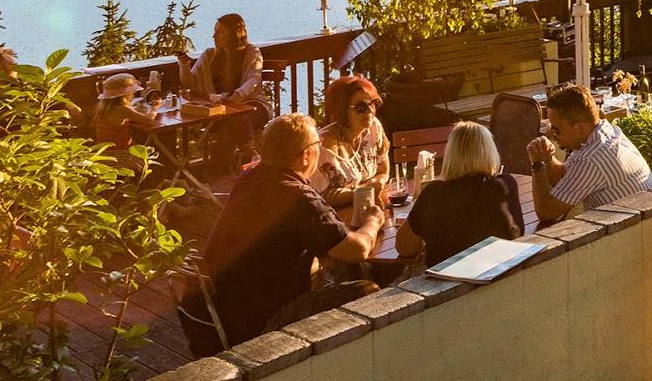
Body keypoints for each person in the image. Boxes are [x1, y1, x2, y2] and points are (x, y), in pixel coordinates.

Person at [187, 112, 384, 353]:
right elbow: (358, 249)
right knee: (368, 291)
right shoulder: (299, 197)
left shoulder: (248, 179)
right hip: (262, 323)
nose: (320, 150)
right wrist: (373, 220)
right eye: (317, 146)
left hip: (222, 315)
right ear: (305, 156)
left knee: (328, 269)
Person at [396, 121, 524, 266]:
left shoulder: (433, 193)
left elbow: (404, 248)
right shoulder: (504, 185)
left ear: (451, 155)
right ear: (490, 152)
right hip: (498, 276)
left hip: (447, 281)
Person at [525, 83, 652, 222]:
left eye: (556, 128)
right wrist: (547, 158)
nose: (551, 133)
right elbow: (566, 177)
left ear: (580, 127)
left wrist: (537, 164)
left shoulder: (591, 159)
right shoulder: (604, 132)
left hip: (628, 237)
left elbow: (546, 212)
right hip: (641, 227)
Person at [177, 13, 271, 173]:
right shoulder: (209, 55)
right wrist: (184, 66)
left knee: (236, 117)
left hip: (254, 106)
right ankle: (248, 159)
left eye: (219, 32)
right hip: (220, 110)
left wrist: (236, 98)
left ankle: (215, 172)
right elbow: (190, 83)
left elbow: (253, 81)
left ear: (234, 34)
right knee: (230, 124)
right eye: (215, 31)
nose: (214, 35)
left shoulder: (251, 52)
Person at [310, 75, 390, 218]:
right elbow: (320, 197)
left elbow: (383, 170)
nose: (370, 111)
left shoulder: (373, 128)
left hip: (370, 210)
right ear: (342, 111)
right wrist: (366, 190)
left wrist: (379, 182)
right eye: (360, 107)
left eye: (371, 103)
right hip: (336, 218)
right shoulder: (323, 145)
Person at [93, 72, 158, 150]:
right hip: (120, 153)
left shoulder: (103, 107)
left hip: (104, 153)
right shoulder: (122, 109)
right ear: (125, 95)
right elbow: (148, 120)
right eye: (132, 93)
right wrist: (154, 107)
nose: (133, 95)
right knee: (149, 148)